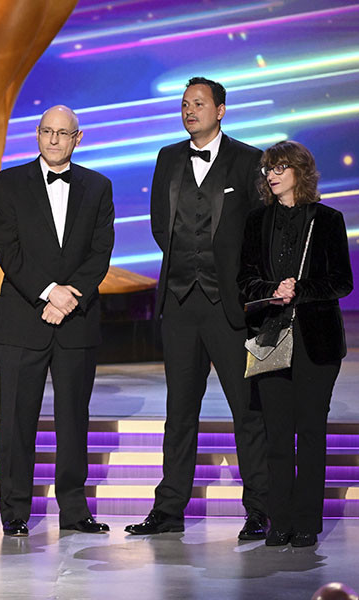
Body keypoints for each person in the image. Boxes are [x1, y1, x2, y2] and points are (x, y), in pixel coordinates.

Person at [126, 77, 270, 538]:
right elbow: (159, 223)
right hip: (180, 302)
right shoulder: (168, 157)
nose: (190, 110)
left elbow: (259, 230)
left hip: (230, 306)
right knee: (180, 410)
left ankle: (260, 508)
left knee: (247, 409)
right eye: (185, 104)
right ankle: (169, 509)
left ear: (220, 110)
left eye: (199, 104)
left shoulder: (248, 159)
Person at [0, 105, 114, 537]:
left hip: (77, 319)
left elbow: (100, 252)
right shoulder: (8, 182)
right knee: (16, 420)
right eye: (47, 131)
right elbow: (7, 250)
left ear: (78, 138)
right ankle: (15, 511)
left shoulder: (98, 186)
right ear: (37, 135)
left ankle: (75, 510)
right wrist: (48, 292)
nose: (54, 139)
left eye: (63, 133)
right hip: (23, 318)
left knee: (73, 419)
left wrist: (67, 297)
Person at [238, 141, 352, 547]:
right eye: (268, 168)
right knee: (277, 435)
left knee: (311, 432)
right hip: (270, 338)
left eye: (279, 167)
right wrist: (272, 290)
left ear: (300, 171)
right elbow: (244, 280)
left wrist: (299, 290)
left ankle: (306, 523)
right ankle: (280, 521)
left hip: (316, 341)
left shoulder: (328, 220)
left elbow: (341, 281)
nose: (271, 175)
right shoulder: (257, 221)